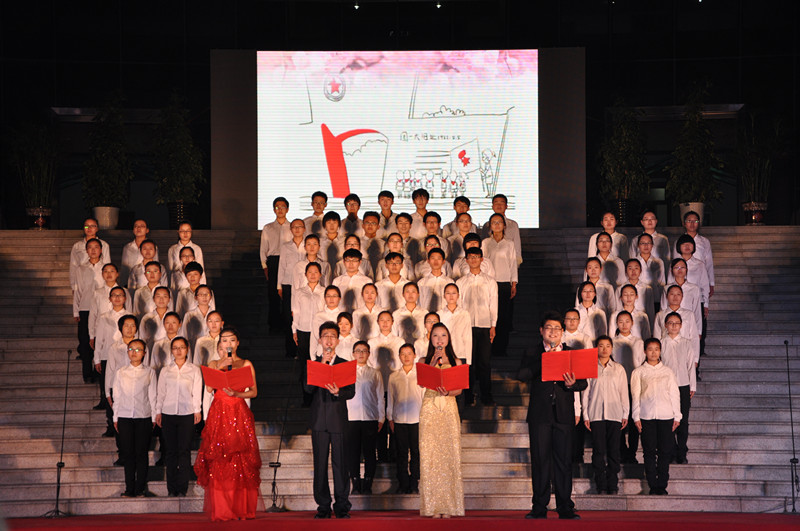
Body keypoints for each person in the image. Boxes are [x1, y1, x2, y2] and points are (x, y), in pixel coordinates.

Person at [517, 311, 587, 519]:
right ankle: (539, 506)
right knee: (540, 461)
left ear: (562, 332)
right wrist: (545, 359)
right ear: (541, 331)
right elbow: (522, 375)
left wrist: (573, 384)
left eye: (557, 328)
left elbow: (583, 383)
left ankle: (565, 506)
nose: (553, 332)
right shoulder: (532, 351)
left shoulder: (571, 353)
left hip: (563, 415)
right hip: (540, 415)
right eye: (549, 328)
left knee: (564, 461)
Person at [194, 327, 261, 521]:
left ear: (237, 343)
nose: (228, 343)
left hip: (238, 412)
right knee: (220, 459)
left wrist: (238, 393)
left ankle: (241, 508)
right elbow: (208, 388)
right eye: (224, 340)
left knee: (240, 460)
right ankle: (223, 509)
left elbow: (254, 391)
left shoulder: (245, 363)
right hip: (219, 413)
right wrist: (220, 365)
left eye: (232, 340)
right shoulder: (213, 363)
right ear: (219, 344)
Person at [303, 321, 356, 519]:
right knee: (320, 464)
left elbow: (351, 392)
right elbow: (307, 389)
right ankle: (323, 506)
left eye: (333, 336)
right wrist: (322, 365)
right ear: (319, 340)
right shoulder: (313, 363)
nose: (329, 340)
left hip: (338, 420)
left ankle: (342, 506)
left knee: (341, 464)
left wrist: (338, 392)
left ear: (338, 341)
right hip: (319, 420)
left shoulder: (344, 364)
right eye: (325, 336)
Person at [419, 323, 464, 518]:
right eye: (435, 336)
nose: (439, 339)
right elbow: (422, 383)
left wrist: (448, 392)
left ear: (448, 338)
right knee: (430, 456)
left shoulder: (456, 361)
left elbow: (459, 389)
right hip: (430, 409)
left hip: (448, 408)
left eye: (443, 335)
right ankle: (432, 507)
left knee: (449, 455)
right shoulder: (424, 360)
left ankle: (450, 506)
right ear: (430, 339)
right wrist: (432, 362)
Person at [631, 338, 682, 495]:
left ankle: (662, 484)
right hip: (646, 417)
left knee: (665, 452)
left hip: (666, 416)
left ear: (660, 351)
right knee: (649, 452)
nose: (653, 352)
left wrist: (677, 416)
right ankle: (652, 485)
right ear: (645, 351)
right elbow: (635, 395)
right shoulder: (638, 372)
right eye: (650, 349)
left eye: (656, 349)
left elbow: (674, 394)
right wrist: (636, 416)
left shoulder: (668, 372)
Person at [582, 336, 629, 495]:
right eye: (601, 346)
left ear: (612, 348)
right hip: (596, 414)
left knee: (614, 450)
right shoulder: (590, 367)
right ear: (596, 348)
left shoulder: (619, 369)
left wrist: (625, 413)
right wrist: (585, 415)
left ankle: (613, 484)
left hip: (615, 414)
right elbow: (586, 393)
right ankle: (600, 484)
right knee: (598, 451)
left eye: (607, 346)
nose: (604, 349)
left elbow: (624, 393)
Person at [156, 336, 202, 497]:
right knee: (170, 452)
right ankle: (171, 489)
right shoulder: (165, 370)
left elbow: (197, 392)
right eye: (175, 348)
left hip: (187, 413)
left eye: (181, 347)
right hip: (168, 413)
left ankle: (182, 488)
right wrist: (158, 411)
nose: (179, 351)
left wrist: (197, 410)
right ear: (171, 351)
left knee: (184, 451)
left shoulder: (194, 370)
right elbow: (161, 393)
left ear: (187, 349)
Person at [112, 338, 157, 498]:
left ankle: (140, 488)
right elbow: (117, 396)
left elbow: (153, 396)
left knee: (141, 453)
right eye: (131, 349)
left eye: (138, 350)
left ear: (144, 353)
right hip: (124, 416)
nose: (134, 352)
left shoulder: (150, 372)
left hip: (143, 416)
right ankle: (129, 488)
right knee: (128, 453)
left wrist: (153, 417)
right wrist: (115, 417)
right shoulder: (120, 372)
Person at [456, 247, 498, 406]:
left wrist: (493, 325)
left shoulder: (490, 281)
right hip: (467, 327)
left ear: (482, 259)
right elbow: (459, 306)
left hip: (485, 325)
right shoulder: (460, 282)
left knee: (485, 362)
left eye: (476, 256)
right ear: (466, 260)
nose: (473, 259)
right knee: (469, 362)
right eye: (470, 257)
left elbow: (493, 304)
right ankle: (468, 396)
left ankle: (486, 395)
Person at [346, 341, 384, 495]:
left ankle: (368, 483)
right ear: (353, 354)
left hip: (370, 417)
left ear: (368, 354)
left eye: (364, 351)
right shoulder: (347, 372)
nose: (361, 354)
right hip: (351, 417)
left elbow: (380, 397)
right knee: (353, 452)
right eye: (358, 351)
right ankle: (355, 483)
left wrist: (381, 418)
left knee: (369, 452)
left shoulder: (375, 373)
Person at [387, 343, 424, 494]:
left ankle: (414, 483)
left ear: (415, 355)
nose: (406, 357)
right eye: (403, 354)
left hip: (417, 419)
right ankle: (402, 484)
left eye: (409, 353)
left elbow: (424, 398)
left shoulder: (421, 375)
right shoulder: (394, 376)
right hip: (399, 419)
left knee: (416, 452)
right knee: (401, 453)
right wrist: (390, 417)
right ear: (399, 357)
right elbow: (391, 398)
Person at [660, 312, 696, 464]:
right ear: (665, 325)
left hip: (683, 385)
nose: (674, 326)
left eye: (677, 323)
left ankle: (682, 451)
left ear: (681, 326)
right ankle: (671, 450)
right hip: (666, 387)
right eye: (670, 323)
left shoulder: (686, 343)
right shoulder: (661, 343)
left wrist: (692, 385)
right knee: (668, 420)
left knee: (683, 420)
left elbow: (691, 366)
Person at [482, 212, 518, 358]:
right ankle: (488, 348)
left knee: (503, 317)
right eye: (494, 222)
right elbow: (483, 263)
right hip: (489, 283)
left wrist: (513, 283)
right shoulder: (485, 243)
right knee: (489, 316)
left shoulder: (509, 244)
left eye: (499, 222)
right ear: (490, 226)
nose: (496, 225)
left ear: (504, 225)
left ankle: (501, 348)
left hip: (504, 284)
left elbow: (513, 264)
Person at [73, 238, 105, 385]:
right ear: (86, 251)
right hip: (85, 307)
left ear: (101, 250)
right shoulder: (81, 269)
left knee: (100, 340)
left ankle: (99, 372)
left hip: (101, 309)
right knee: (85, 342)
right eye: (90, 247)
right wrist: (76, 311)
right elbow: (78, 290)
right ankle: (87, 373)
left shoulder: (105, 267)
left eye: (96, 247)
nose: (93, 250)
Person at [260, 197, 292, 333]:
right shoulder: (268, 228)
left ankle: (287, 324)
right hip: (273, 261)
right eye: (277, 207)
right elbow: (263, 249)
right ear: (274, 210)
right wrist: (265, 267)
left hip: (288, 262)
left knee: (286, 293)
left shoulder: (292, 227)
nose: (280, 210)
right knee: (273, 294)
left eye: (283, 207)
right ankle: (274, 325)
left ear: (287, 209)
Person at [277, 219, 308, 359]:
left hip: (304, 284)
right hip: (288, 284)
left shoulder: (308, 244)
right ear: (290, 229)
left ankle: (303, 349)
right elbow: (282, 266)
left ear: (304, 228)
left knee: (303, 315)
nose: (297, 229)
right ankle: (290, 350)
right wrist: (279, 286)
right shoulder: (285, 246)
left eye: (299, 226)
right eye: (294, 227)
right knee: (288, 317)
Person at [69, 217, 110, 292]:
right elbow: (73, 267)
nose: (89, 228)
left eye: (92, 226)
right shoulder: (77, 246)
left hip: (99, 280)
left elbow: (107, 265)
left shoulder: (104, 245)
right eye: (86, 226)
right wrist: (74, 286)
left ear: (97, 228)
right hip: (83, 280)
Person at [332, 249, 372, 313]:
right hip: (341, 314)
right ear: (344, 262)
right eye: (348, 260)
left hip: (360, 314)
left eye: (354, 260)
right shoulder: (337, 281)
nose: (351, 264)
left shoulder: (367, 281)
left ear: (360, 262)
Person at [120, 219, 155, 287]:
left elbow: (155, 264)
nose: (138, 228)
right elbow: (124, 269)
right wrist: (124, 284)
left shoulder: (153, 247)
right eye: (136, 226)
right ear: (133, 230)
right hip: (132, 282)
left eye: (142, 226)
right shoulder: (127, 247)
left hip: (148, 281)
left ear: (147, 230)